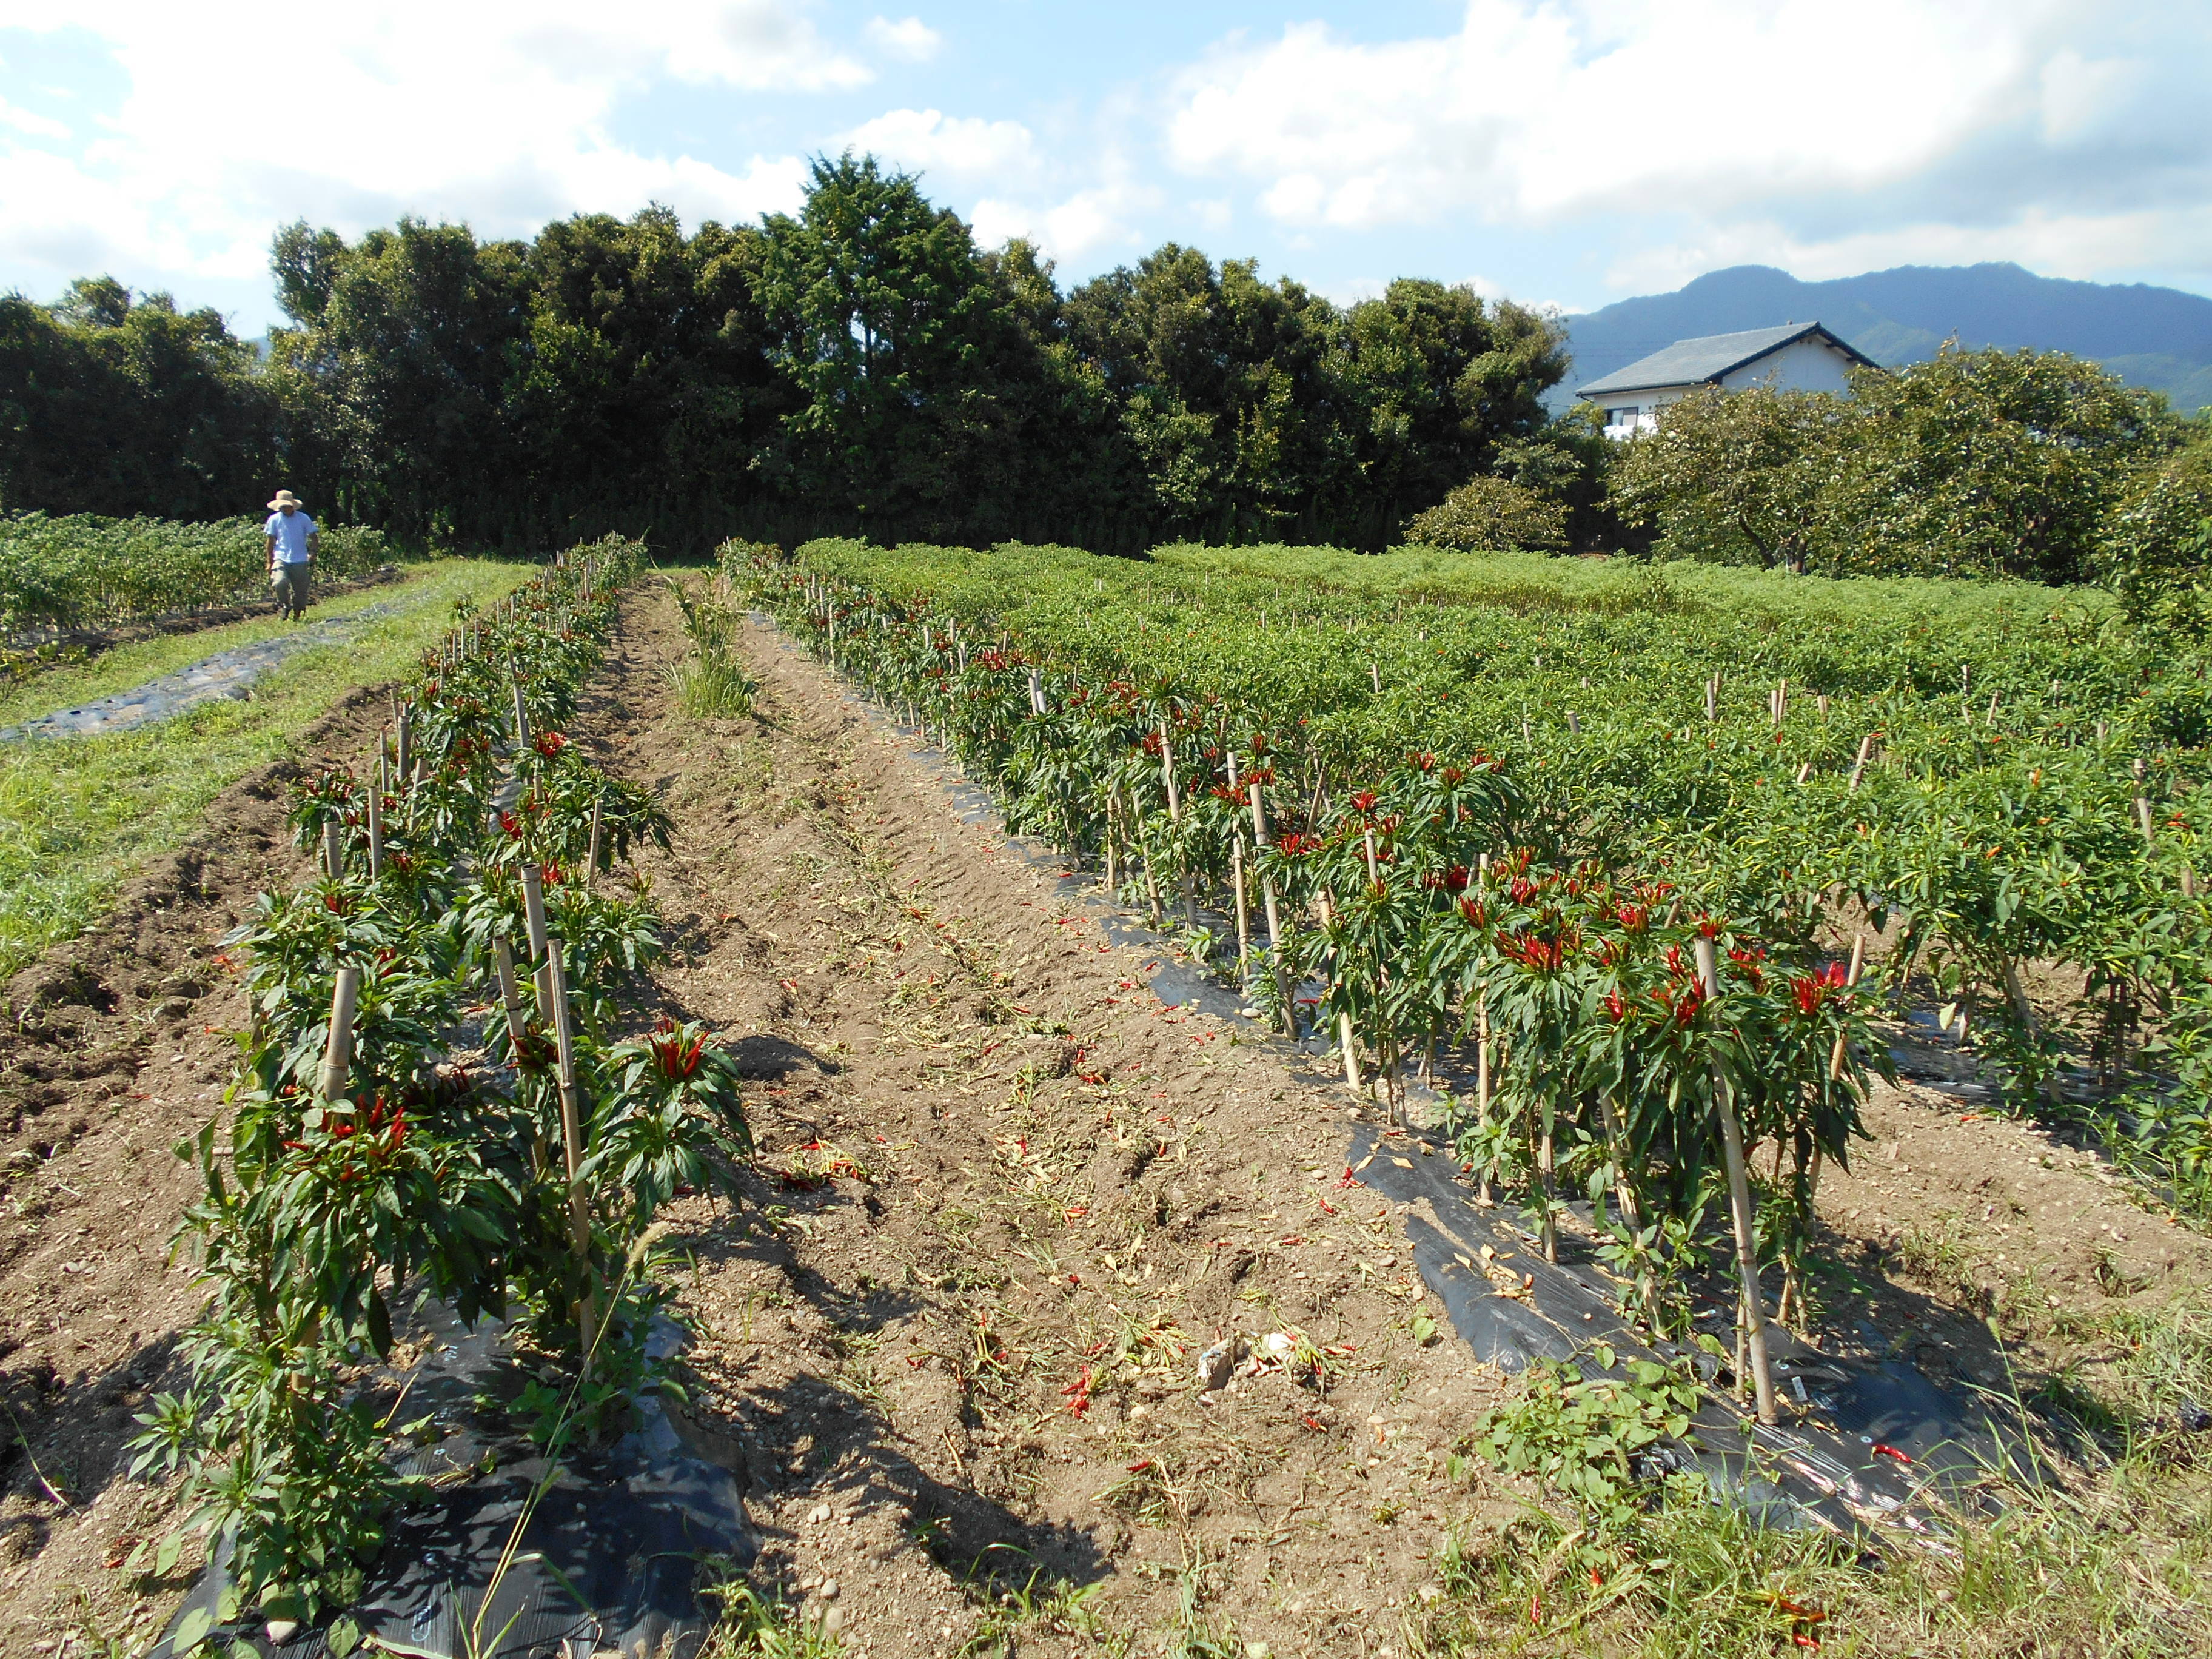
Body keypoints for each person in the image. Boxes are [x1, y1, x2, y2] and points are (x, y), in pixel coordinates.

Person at [264, 489, 320, 620]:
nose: (285, 508)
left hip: (300, 559)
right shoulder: (274, 520)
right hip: (281, 557)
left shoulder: (303, 518)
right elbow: (270, 542)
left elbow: (314, 537)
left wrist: (313, 553)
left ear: (292, 505)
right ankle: (285, 605)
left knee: (300, 590)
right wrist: (269, 561)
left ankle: (297, 614)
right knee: (279, 583)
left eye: (287, 506)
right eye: (283, 506)